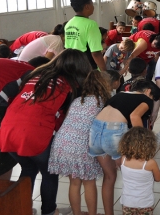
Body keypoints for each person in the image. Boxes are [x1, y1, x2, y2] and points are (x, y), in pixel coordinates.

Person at [0, 49, 92, 215]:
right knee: (49, 172)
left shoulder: (34, 76)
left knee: (28, 170)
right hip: (33, 133)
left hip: (8, 131)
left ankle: (22, 209)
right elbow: (64, 119)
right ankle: (49, 211)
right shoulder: (68, 86)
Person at [48, 70, 111, 215]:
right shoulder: (102, 102)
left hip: (63, 143)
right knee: (89, 183)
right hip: (81, 145)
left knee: (74, 182)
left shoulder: (77, 100)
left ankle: (76, 213)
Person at [88, 79, 154, 215]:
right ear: (148, 91)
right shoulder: (146, 99)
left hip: (95, 132)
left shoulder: (119, 95)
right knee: (131, 176)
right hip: (113, 134)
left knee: (109, 177)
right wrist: (143, 145)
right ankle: (135, 210)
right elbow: (135, 116)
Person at [119, 127, 160, 215]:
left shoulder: (123, 159)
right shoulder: (150, 163)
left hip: (127, 202)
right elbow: (158, 178)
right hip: (145, 203)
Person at [64, 0, 106, 71]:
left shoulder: (69, 24)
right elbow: (96, 53)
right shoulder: (91, 25)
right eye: (92, 3)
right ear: (87, 6)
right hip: (87, 68)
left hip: (72, 67)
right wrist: (104, 72)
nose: (93, 6)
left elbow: (67, 48)